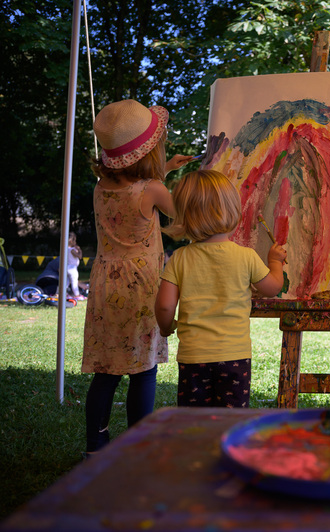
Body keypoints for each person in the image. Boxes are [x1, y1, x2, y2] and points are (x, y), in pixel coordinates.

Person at [82, 99, 193, 456]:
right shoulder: (153, 190)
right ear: (148, 151)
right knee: (143, 370)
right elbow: (181, 219)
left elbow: (135, 194)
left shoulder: (101, 185)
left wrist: (166, 171)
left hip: (105, 283)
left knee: (107, 370)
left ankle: (95, 446)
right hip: (141, 286)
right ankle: (138, 447)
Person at [155, 170, 287, 408]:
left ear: (184, 216)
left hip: (193, 357)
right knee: (231, 419)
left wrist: (166, 328)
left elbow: (165, 306)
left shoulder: (179, 258)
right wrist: (275, 262)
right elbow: (272, 288)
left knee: (195, 420)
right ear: (232, 210)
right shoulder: (246, 256)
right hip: (234, 357)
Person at [66, 232, 84, 299]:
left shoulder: (65, 249)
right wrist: (79, 250)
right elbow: (80, 256)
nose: (75, 242)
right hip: (72, 268)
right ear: (71, 241)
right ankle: (77, 295)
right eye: (75, 241)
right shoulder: (72, 250)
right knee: (74, 281)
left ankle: (64, 294)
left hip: (67, 267)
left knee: (66, 282)